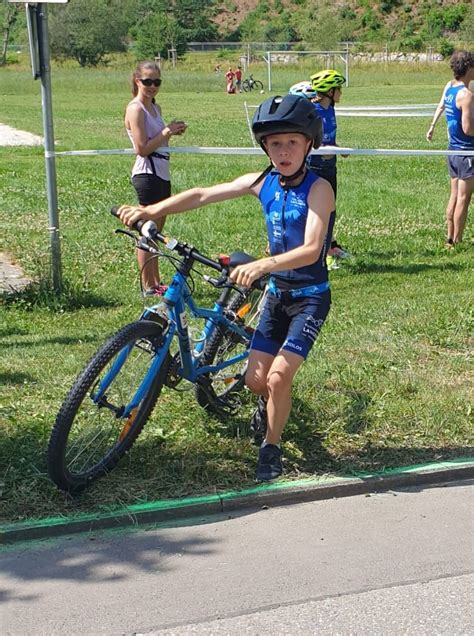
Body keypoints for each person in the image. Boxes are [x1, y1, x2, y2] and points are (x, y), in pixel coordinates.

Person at [118, 95, 335, 482]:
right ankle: (270, 407)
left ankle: (271, 446)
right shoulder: (262, 182)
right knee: (255, 381)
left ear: (308, 143)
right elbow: (203, 193)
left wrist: (262, 265)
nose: (283, 152)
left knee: (278, 377)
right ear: (265, 147)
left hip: (310, 298)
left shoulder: (319, 189)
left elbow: (311, 249)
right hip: (277, 295)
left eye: (292, 143)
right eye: (274, 144)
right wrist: (152, 210)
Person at [125, 60, 187, 296]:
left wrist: (171, 133)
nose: (152, 86)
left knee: (156, 232)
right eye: (147, 81)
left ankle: (156, 282)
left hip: (161, 172)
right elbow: (142, 148)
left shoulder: (155, 108)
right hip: (147, 173)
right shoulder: (135, 109)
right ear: (137, 81)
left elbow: (157, 141)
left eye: (157, 82)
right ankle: (148, 285)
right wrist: (167, 131)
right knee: (147, 230)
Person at [426, 50, 474, 247]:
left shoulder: (450, 90)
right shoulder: (466, 94)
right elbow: (468, 128)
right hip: (466, 151)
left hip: (453, 149)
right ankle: (457, 240)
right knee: (464, 197)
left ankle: (449, 238)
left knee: (454, 195)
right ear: (469, 68)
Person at [308, 69, 351, 265]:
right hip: (316, 167)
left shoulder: (330, 108)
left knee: (331, 210)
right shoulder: (312, 111)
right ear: (329, 91)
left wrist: (338, 148)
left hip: (330, 166)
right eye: (338, 88)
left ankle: (329, 248)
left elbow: (328, 138)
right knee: (318, 211)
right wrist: (325, 150)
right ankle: (321, 255)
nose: (341, 92)